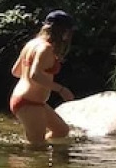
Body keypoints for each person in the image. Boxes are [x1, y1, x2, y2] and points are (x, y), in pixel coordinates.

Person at [9, 10, 76, 147]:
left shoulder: (32, 43)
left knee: (61, 130)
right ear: (62, 31)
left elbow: (16, 71)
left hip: (30, 100)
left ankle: (33, 157)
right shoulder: (46, 48)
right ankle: (23, 165)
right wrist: (61, 89)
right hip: (29, 102)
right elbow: (35, 75)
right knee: (37, 146)